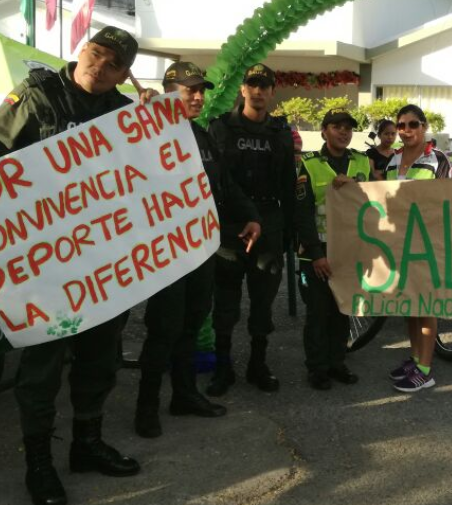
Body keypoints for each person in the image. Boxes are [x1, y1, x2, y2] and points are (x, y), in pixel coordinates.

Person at [0, 27, 148, 505]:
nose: (99, 66)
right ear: (81, 50)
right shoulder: (39, 95)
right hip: (45, 263)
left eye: (113, 64)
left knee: (100, 357)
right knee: (42, 365)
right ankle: (39, 462)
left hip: (103, 259)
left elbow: (150, 170)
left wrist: (158, 122)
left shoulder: (124, 113)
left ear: (123, 75)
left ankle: (87, 443)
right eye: (95, 53)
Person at [135, 62, 262, 438]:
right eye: (189, 89)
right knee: (163, 330)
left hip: (201, 250)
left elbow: (225, 184)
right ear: (167, 92)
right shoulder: (146, 133)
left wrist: (251, 216)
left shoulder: (201, 136)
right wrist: (142, 112)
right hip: (165, 253)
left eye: (201, 90)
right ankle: (146, 407)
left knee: (191, 324)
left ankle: (184, 394)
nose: (198, 96)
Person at [206, 63, 296, 396]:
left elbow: (288, 184)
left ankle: (258, 365)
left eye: (264, 86)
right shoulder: (221, 127)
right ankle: (223, 367)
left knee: (263, 302)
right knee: (225, 302)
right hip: (229, 225)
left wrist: (289, 231)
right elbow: (212, 179)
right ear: (242, 89)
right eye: (252, 85)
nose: (258, 91)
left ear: (272, 92)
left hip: (269, 222)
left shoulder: (280, 132)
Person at [294, 110, 371, 390]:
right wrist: (316, 254)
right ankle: (317, 368)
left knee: (342, 310)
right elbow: (302, 214)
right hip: (316, 253)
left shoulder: (362, 162)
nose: (343, 132)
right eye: (337, 127)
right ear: (324, 131)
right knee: (317, 312)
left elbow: (376, 199)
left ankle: (337, 363)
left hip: (349, 252)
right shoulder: (309, 164)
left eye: (348, 128)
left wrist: (356, 185)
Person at [384, 104, 452, 393]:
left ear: (424, 127)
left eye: (413, 124)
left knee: (425, 306)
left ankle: (425, 370)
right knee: (410, 305)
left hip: (428, 244)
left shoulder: (438, 159)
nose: (406, 130)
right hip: (400, 244)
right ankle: (415, 359)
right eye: (401, 125)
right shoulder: (393, 160)